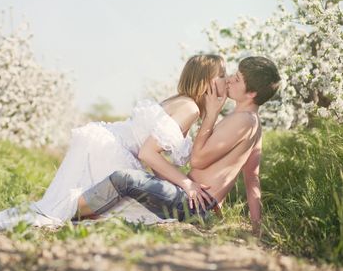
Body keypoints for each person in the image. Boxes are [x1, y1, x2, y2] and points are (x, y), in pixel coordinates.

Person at [0, 54, 226, 231]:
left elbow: (156, 159)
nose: (226, 80)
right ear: (206, 81)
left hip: (104, 139)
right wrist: (186, 183)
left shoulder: (179, 101)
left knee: (77, 207)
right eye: (222, 75)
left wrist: (174, 184)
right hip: (112, 148)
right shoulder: (190, 108)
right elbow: (148, 153)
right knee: (124, 213)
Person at [76, 56, 280, 235]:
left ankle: (72, 211)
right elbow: (252, 177)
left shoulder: (242, 120)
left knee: (124, 179)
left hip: (192, 204)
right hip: (197, 201)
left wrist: (210, 115)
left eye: (237, 79)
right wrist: (257, 225)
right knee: (136, 177)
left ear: (251, 93)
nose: (229, 81)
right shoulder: (254, 123)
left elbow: (198, 160)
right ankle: (85, 210)